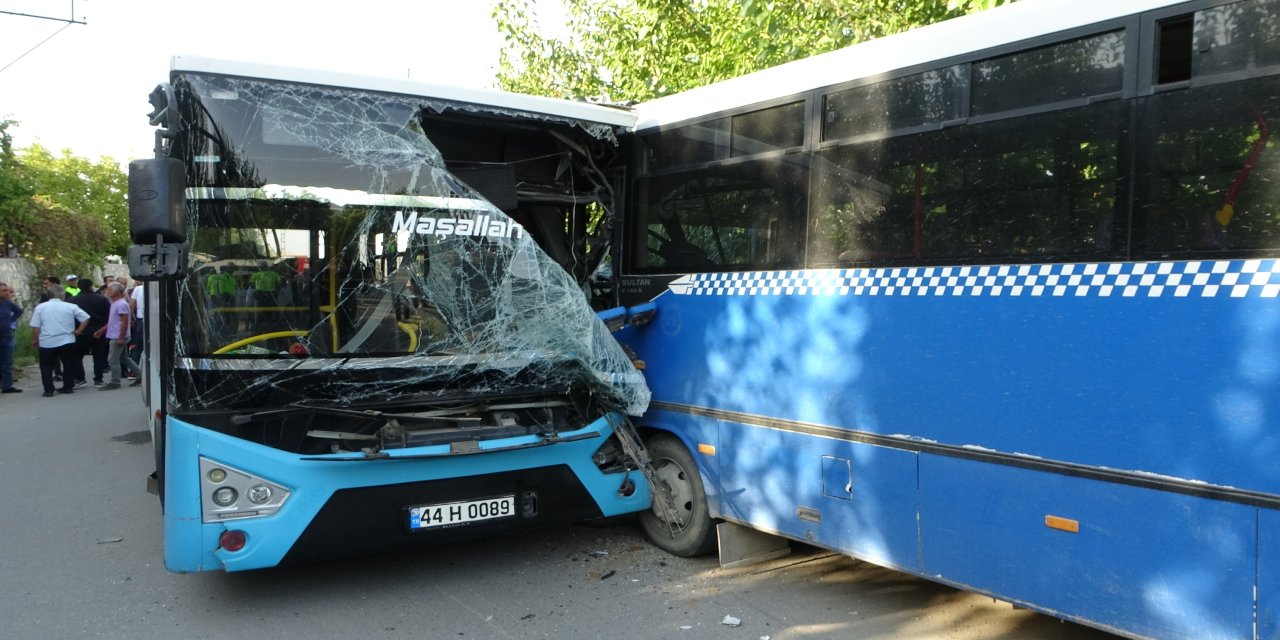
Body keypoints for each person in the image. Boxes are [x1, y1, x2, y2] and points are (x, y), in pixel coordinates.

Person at [29, 284, 90, 397]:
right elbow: (85, 317)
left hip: (47, 341)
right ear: (62, 295)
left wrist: (35, 339)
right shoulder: (70, 306)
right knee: (68, 364)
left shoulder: (40, 308)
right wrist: (78, 331)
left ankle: (48, 389)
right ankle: (68, 386)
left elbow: (36, 326)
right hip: (67, 339)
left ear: (48, 295)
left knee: (46, 366)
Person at [101, 282, 142, 390]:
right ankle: (140, 374)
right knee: (124, 358)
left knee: (113, 359)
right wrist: (102, 330)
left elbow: (124, 322)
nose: (107, 291)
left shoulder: (120, 304)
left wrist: (120, 337)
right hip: (116, 334)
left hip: (118, 335)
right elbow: (114, 321)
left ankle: (115, 381)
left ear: (116, 292)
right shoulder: (116, 303)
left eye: (109, 290)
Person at [72, 279, 111, 386]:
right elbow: (109, 316)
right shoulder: (102, 299)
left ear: (78, 287)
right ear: (91, 286)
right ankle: (98, 379)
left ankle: (80, 378)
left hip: (81, 330)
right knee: (99, 355)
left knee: (77, 355)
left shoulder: (73, 300)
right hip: (99, 330)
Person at [0, 282, 23, 394]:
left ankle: (7, 386)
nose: (7, 293)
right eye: (4, 291)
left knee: (7, 363)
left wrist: (10, 320)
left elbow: (19, 311)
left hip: (7, 337)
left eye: (7, 290)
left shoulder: (7, 303)